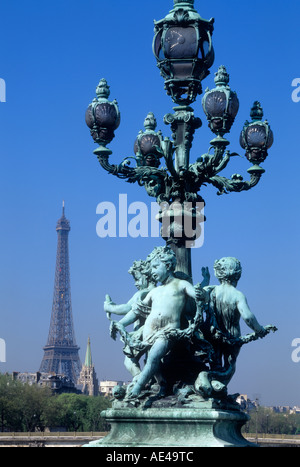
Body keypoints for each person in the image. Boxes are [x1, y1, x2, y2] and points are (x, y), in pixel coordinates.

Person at [111, 246, 208, 399]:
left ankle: (137, 388)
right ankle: (163, 384)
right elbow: (136, 312)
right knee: (150, 362)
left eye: (156, 267)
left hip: (168, 332)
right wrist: (121, 323)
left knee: (153, 358)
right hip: (149, 332)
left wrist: (201, 294)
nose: (152, 271)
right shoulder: (154, 292)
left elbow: (196, 296)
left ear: (168, 265)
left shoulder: (180, 284)